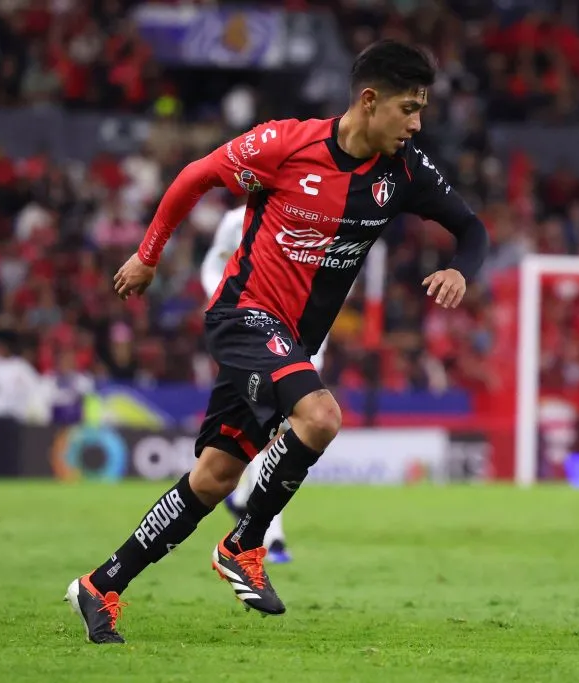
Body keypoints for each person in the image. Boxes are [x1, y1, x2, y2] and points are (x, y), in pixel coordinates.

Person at [65, 39, 489, 644]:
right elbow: (196, 176)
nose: (417, 123)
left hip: (289, 340)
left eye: (421, 110)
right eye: (408, 109)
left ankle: (100, 585)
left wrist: (461, 269)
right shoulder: (285, 144)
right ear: (369, 102)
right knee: (320, 417)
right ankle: (244, 545)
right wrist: (148, 256)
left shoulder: (405, 172)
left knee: (213, 477)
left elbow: (471, 228)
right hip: (243, 315)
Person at [200, 204, 295, 564]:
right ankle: (271, 536)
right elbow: (213, 266)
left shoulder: (318, 210)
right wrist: (227, 304)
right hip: (251, 332)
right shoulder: (234, 220)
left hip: (303, 330)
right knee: (275, 427)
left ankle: (242, 502)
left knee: (288, 429)